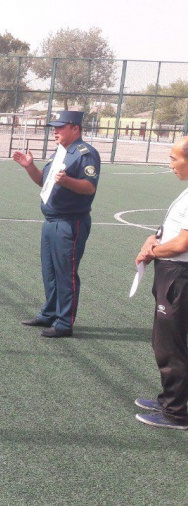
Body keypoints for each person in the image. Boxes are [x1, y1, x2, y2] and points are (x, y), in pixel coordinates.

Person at [13, 111, 100, 338]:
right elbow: (44, 181)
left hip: (70, 222)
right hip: (51, 221)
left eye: (60, 127)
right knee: (49, 271)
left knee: (66, 273)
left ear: (75, 129)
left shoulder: (85, 153)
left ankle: (64, 323)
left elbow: (89, 187)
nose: (55, 131)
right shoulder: (59, 152)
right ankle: (49, 313)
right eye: (54, 127)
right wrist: (29, 167)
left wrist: (68, 181)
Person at [133, 136, 188, 430]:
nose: (170, 164)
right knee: (165, 340)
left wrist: (152, 251)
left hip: (180, 275)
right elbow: (173, 231)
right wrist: (154, 238)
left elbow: (182, 243)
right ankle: (170, 399)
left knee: (171, 345)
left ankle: (176, 411)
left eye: (174, 158)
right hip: (172, 273)